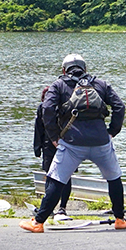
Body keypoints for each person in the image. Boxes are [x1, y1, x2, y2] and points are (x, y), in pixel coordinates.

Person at [20, 54, 126, 233]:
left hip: (72, 143)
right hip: (101, 142)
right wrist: (111, 132)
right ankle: (120, 219)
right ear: (85, 69)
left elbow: (46, 109)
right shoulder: (101, 84)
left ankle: (38, 223)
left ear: (64, 70)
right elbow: (120, 107)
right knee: (114, 178)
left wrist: (54, 137)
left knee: (56, 179)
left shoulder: (58, 85)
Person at [33, 86, 72, 218]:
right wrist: (37, 147)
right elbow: (38, 128)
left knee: (65, 177)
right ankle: (49, 208)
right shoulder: (41, 108)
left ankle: (62, 207)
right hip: (48, 146)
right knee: (50, 176)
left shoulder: (65, 107)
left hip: (64, 143)